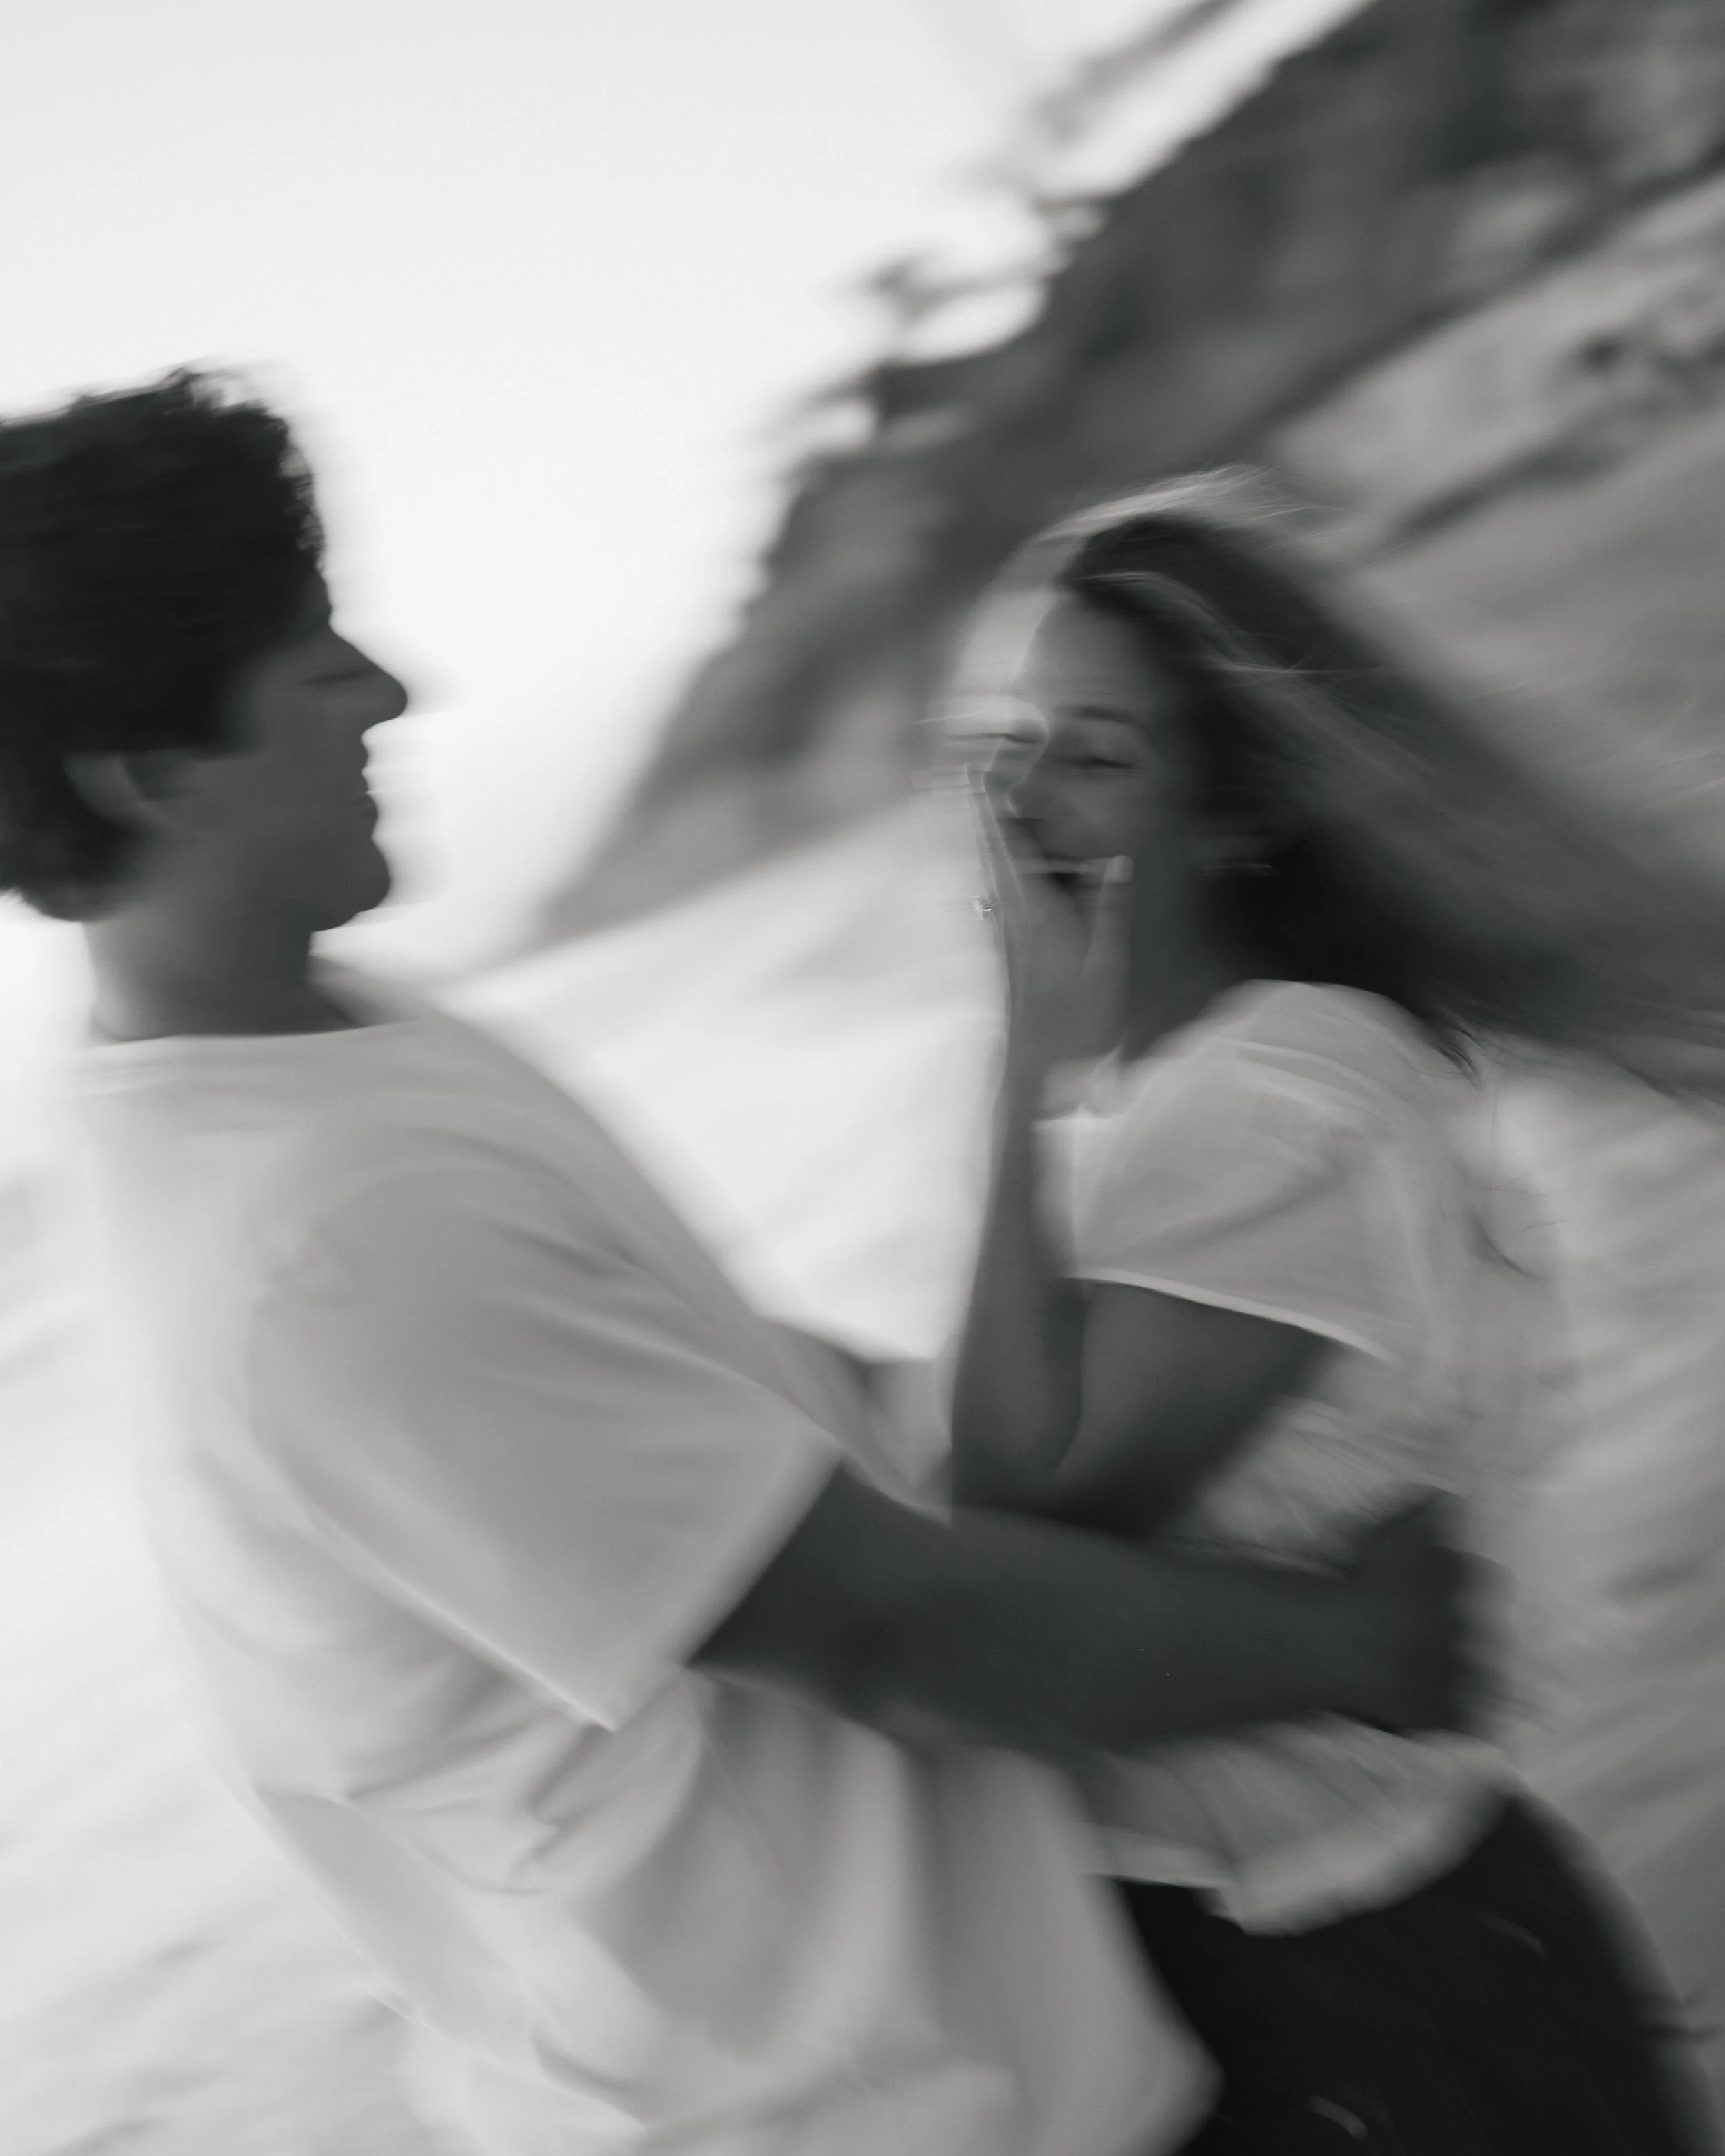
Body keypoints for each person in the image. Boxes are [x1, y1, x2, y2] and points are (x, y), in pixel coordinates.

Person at [0, 374, 1473, 2156]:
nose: (392, 688)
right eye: (316, 660)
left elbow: (739, 1399)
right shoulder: (326, 1231)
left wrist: (1053, 1393)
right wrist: (1346, 1642)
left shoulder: (317, 1048)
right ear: (155, 772)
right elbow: (895, 1636)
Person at [947, 474, 1724, 2154]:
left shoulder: (1267, 1095)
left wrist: (1011, 1056)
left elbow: (1008, 1516)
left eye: (1091, 753)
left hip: (1369, 1989)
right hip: (1357, 1967)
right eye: (1009, 739)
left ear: (1236, 816)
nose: (1014, 801)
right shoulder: (1202, 1092)